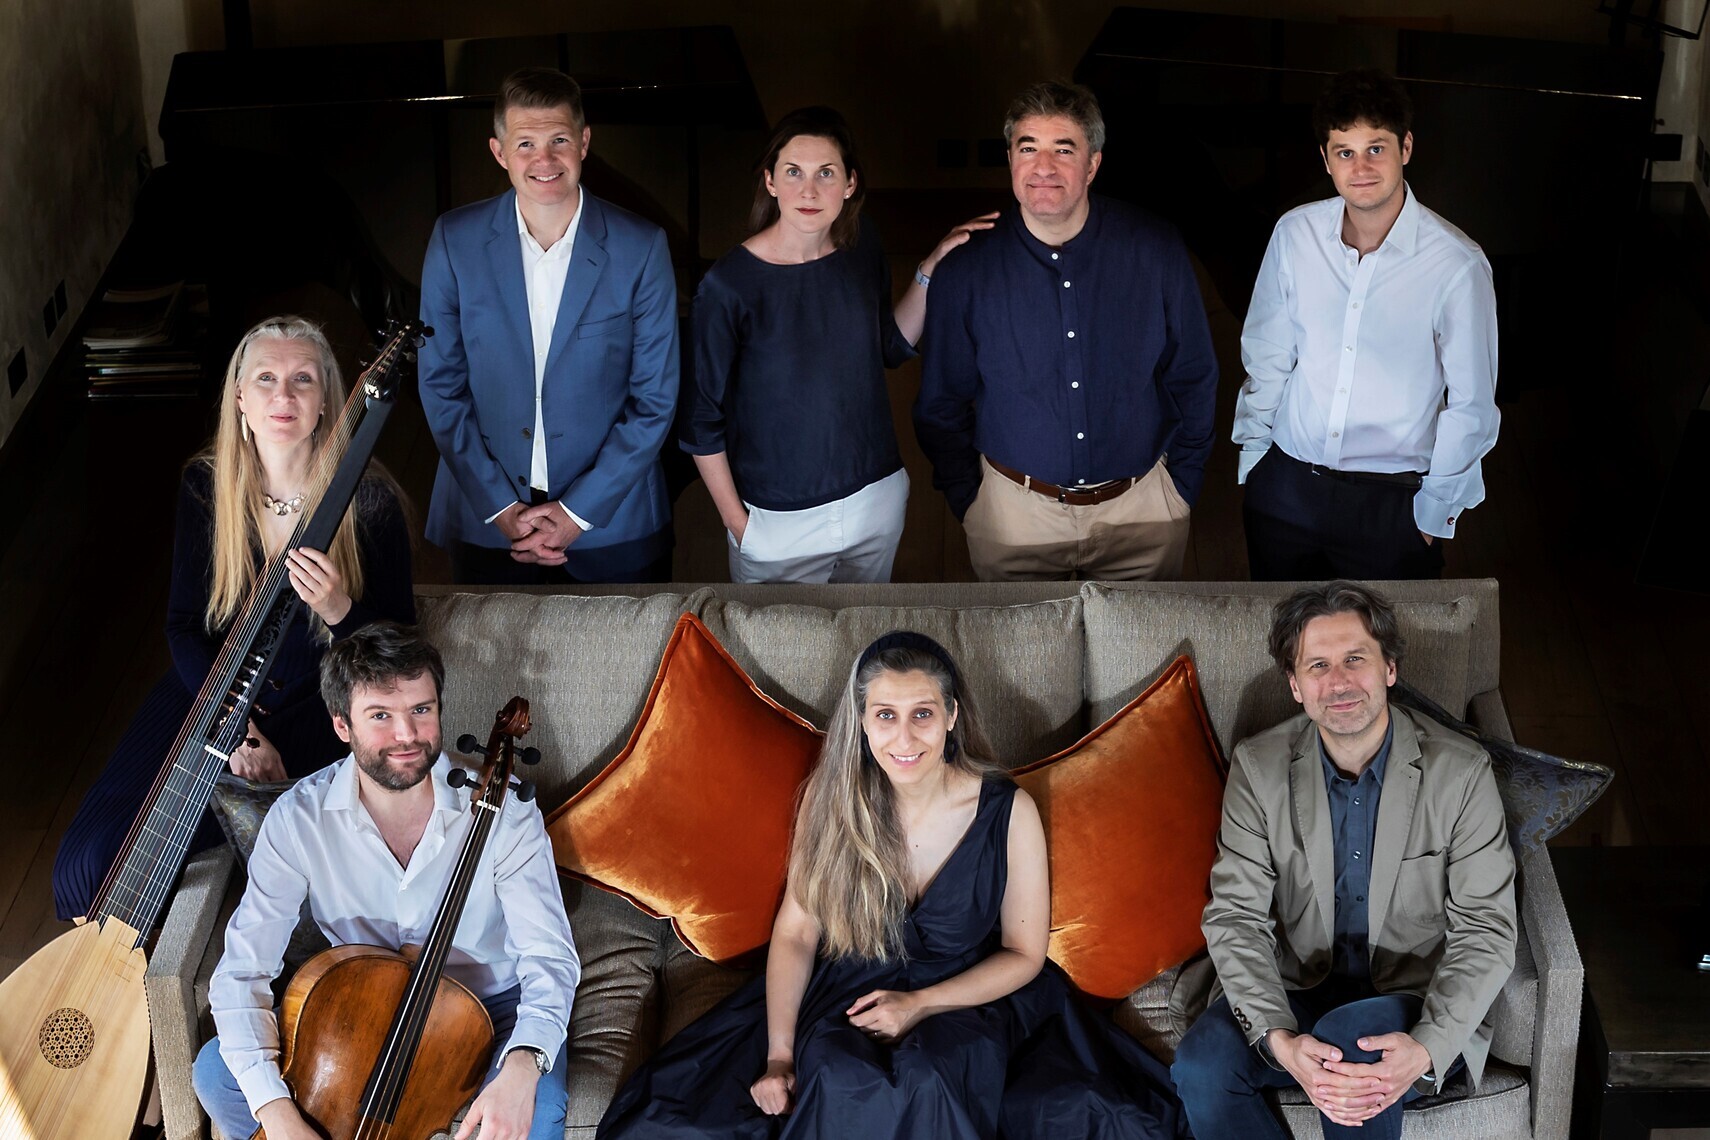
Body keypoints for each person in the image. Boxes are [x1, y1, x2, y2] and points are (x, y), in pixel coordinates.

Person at [598, 631, 1189, 1139]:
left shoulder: (1008, 810)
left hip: (969, 992)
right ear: (861, 721)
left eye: (922, 714)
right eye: (885, 715)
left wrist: (921, 1003)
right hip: (849, 986)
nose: (904, 739)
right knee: (834, 1071)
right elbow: (797, 933)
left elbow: (1025, 954)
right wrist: (779, 1054)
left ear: (952, 716)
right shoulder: (832, 801)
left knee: (936, 1076)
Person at [51, 316, 415, 921]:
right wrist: (237, 731)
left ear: (327, 399)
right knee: (87, 861)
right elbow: (183, 626)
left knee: (145, 857)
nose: (283, 395)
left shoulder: (370, 503)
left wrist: (339, 610)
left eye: (302, 379)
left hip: (313, 709)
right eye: (265, 378)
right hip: (207, 692)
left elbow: (402, 657)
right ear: (240, 398)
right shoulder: (207, 484)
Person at [192, 622, 580, 1140]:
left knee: (537, 1114)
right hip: (363, 1004)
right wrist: (279, 1116)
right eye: (380, 715)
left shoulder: (504, 809)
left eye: (421, 710)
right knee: (217, 1073)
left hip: (491, 1004)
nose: (406, 735)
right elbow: (243, 971)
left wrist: (523, 1065)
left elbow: (549, 958)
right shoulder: (298, 818)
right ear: (342, 726)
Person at [1171, 581, 1517, 1139]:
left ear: (1389, 669)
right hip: (1294, 990)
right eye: (1318, 666)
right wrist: (1280, 1040)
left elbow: (1486, 929)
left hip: (1412, 1002)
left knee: (1354, 1052)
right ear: (1295, 686)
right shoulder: (1257, 769)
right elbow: (1236, 918)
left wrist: (1427, 1048)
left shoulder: (1461, 773)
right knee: (1201, 1066)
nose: (1338, 682)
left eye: (1356, 659)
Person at [913, 80, 1217, 582]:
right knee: (1021, 639)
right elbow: (941, 402)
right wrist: (971, 499)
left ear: (1093, 164)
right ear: (1010, 158)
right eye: (1028, 148)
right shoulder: (966, 268)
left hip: (1142, 512)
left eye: (1063, 149)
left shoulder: (1155, 249)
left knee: (1144, 639)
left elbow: (1195, 374)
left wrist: (1180, 486)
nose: (1043, 167)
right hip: (1012, 517)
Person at [683, 107, 994, 584]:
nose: (808, 191)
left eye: (825, 173)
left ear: (850, 183)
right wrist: (740, 526)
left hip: (875, 497)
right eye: (793, 172)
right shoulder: (728, 286)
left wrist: (929, 267)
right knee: (780, 637)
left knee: (863, 631)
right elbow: (701, 421)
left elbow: (888, 346)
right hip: (777, 520)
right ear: (770, 181)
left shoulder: (861, 244)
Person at [1233, 69, 1500, 581]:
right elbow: (1268, 354)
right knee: (1281, 630)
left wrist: (1431, 516)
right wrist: (1256, 461)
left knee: (1388, 635)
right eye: (1345, 152)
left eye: (1375, 148)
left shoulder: (1457, 265)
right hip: (1286, 490)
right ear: (1326, 159)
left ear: (1406, 147)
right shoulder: (1294, 234)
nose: (1360, 168)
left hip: (1392, 505)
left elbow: (1472, 406)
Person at [418, 66, 679, 584]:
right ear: (499, 152)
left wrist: (577, 512)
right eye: (526, 144)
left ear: (584, 142)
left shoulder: (642, 246)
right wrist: (500, 508)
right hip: (486, 523)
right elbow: (440, 385)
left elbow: (655, 399)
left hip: (614, 528)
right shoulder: (453, 241)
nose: (544, 160)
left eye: (559, 139)